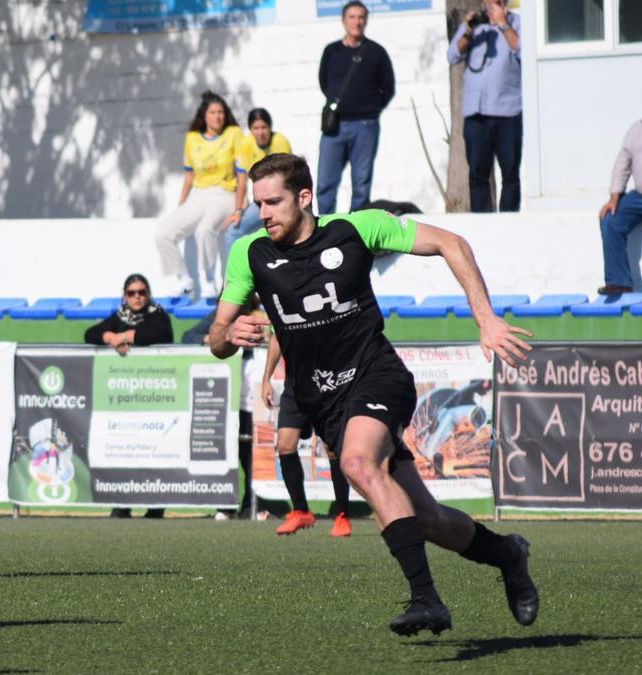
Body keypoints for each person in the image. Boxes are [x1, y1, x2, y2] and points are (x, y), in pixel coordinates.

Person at [209, 152, 538, 636]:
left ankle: (427, 600)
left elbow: (452, 243)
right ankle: (508, 553)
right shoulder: (250, 254)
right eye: (259, 204)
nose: (264, 213)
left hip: (377, 374)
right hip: (325, 402)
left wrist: (485, 318)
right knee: (425, 518)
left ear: (304, 198)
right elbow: (216, 337)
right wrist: (227, 333)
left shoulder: (357, 228)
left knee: (358, 464)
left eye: (274, 202)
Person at [84, 274, 174, 519]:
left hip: (155, 395)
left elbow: (157, 335)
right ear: (125, 295)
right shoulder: (119, 316)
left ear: (148, 294)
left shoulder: (158, 315)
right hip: (125, 397)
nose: (137, 297)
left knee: (153, 450)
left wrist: (123, 337)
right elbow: (91, 334)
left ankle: (155, 506)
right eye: (132, 292)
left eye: (142, 292)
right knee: (124, 449)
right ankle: (122, 504)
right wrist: (111, 337)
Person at [154, 90, 246, 298]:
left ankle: (208, 281)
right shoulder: (192, 138)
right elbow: (189, 176)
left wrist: (239, 209)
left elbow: (242, 176)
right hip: (198, 194)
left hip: (225, 193)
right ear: (204, 116)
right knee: (163, 234)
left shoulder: (234, 134)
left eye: (221, 112)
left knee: (204, 230)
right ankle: (184, 279)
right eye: (213, 112)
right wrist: (181, 204)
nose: (218, 116)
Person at [260, 332, 351, 537]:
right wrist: (266, 379)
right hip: (295, 388)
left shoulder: (322, 304)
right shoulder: (282, 303)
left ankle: (342, 515)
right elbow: (276, 338)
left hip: (327, 385)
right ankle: (301, 510)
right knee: (285, 445)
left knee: (332, 450)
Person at [316, 1, 394, 216]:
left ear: (366, 20)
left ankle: (355, 233)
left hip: (365, 126)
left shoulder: (377, 52)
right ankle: (324, 227)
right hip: (334, 127)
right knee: (325, 184)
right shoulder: (331, 51)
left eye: (361, 17)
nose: (357, 22)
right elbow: (324, 83)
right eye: (352, 17)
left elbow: (388, 88)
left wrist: (370, 109)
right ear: (343, 20)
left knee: (361, 185)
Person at [447, 0, 522, 213]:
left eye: (497, 1)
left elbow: (524, 52)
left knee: (510, 173)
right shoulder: (475, 24)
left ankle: (510, 219)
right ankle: (481, 220)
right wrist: (468, 31)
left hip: (507, 110)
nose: (492, 5)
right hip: (476, 112)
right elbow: (452, 55)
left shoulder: (516, 23)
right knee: (477, 174)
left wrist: (503, 24)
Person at [181, 311, 255, 521]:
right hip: (225, 396)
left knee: (249, 455)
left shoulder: (260, 313)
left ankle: (250, 504)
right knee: (226, 450)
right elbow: (188, 337)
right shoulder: (218, 316)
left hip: (251, 396)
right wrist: (217, 338)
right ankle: (226, 503)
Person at [223, 108, 293, 265]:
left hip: (281, 200)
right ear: (250, 130)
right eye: (256, 128)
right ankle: (232, 278)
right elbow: (241, 182)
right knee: (232, 231)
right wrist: (238, 211)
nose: (260, 132)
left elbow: (290, 179)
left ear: (270, 128)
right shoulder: (245, 144)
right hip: (261, 203)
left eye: (264, 127)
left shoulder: (281, 142)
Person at [597, 118, 642, 295]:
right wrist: (614, 197)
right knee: (610, 220)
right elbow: (622, 165)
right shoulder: (636, 130)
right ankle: (619, 283)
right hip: (639, 197)